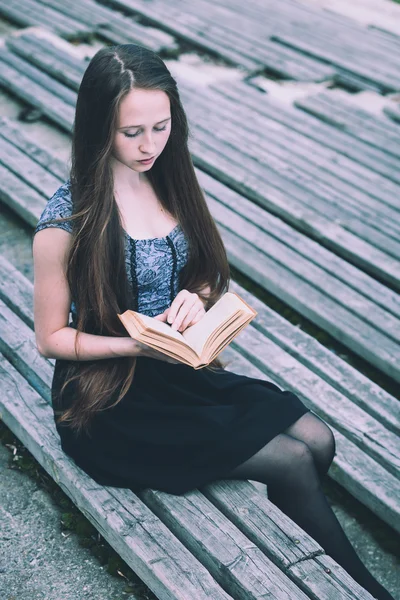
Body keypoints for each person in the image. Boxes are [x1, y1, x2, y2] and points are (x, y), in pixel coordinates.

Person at [32, 44, 394, 600]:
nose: (150, 145)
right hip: (107, 403)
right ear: (99, 125)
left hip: (175, 366)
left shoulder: (170, 179)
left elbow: (203, 274)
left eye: (162, 126)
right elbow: (50, 338)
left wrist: (195, 301)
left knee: (318, 439)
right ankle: (361, 590)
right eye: (132, 132)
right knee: (293, 460)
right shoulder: (66, 220)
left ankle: (293, 548)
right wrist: (133, 347)